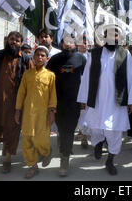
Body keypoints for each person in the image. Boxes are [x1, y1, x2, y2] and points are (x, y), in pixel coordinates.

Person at [77, 24, 132, 175]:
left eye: (115, 35)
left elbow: (130, 78)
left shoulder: (125, 54)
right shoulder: (94, 54)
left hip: (117, 100)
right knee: (96, 127)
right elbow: (86, 77)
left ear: (119, 38)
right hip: (97, 99)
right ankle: (97, 144)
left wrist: (131, 101)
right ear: (104, 37)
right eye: (109, 34)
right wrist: (83, 98)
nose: (112, 37)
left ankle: (110, 159)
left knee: (114, 131)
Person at [0, 31, 34, 174]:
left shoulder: (25, 59)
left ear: (20, 43)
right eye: (11, 39)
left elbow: (32, 79)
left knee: (12, 130)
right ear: (7, 41)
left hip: (16, 103)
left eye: (17, 40)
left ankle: (7, 159)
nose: (14, 42)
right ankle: (5, 145)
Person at [47, 35, 86, 176]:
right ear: (62, 44)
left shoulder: (81, 59)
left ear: (75, 43)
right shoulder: (55, 59)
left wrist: (84, 100)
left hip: (75, 102)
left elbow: (87, 80)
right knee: (63, 129)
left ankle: (65, 154)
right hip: (57, 101)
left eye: (71, 42)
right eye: (66, 42)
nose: (68, 45)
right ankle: (65, 152)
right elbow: (47, 79)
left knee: (69, 129)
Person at [15, 46, 57, 179]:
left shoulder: (50, 76)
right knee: (27, 140)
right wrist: (18, 110)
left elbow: (53, 95)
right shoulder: (27, 74)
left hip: (43, 113)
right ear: (33, 57)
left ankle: (47, 151)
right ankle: (32, 166)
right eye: (37, 55)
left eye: (42, 55)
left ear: (47, 58)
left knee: (41, 139)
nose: (39, 57)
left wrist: (52, 111)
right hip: (28, 113)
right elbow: (21, 93)